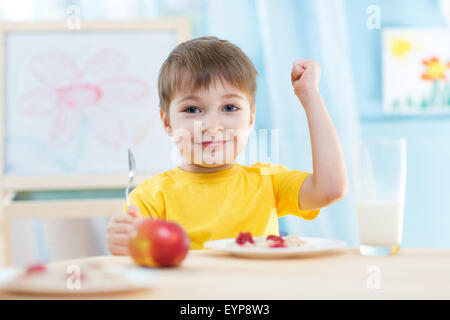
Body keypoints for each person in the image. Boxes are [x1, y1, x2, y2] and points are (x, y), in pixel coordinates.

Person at [106, 36, 348, 254]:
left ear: (251, 117)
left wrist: (310, 96)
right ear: (167, 122)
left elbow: (330, 189)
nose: (212, 125)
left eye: (229, 108)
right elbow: (136, 259)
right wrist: (124, 243)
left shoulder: (268, 181)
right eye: (192, 109)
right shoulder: (150, 199)